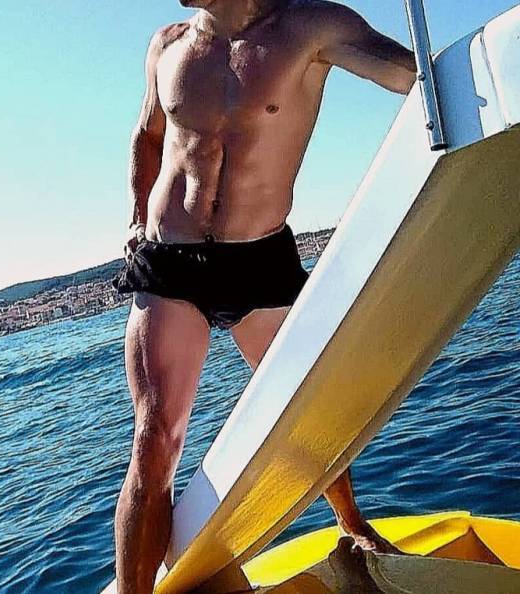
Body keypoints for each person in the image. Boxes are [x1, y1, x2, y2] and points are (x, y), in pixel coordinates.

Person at [110, 1, 417, 592]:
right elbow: (148, 135)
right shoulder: (167, 46)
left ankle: (352, 522)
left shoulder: (310, 27)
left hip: (258, 259)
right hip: (170, 259)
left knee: (307, 410)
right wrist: (135, 216)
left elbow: (410, 77)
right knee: (154, 437)